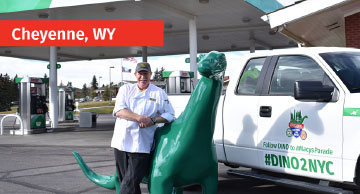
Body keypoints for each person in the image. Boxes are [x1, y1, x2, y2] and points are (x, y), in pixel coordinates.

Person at [111, 62, 175, 194]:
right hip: (121, 143)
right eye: (140, 73)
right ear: (135, 75)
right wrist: (139, 118)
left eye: (146, 73)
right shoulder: (126, 89)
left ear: (150, 75)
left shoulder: (159, 93)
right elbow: (119, 111)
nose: (143, 77)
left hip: (141, 145)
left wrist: (152, 120)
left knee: (129, 182)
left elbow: (169, 114)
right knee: (128, 182)